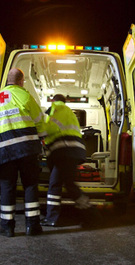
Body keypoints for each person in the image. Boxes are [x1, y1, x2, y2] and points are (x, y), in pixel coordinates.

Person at [0, 68, 46, 237]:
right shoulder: (24, 96)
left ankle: (7, 227)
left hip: (1, 152)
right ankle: (33, 226)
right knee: (30, 184)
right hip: (25, 149)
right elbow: (40, 122)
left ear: (6, 81)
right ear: (21, 81)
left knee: (7, 186)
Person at [40, 94, 92, 227]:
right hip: (74, 151)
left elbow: (50, 128)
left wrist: (40, 132)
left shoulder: (54, 109)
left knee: (55, 185)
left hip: (63, 151)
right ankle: (91, 215)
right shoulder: (70, 112)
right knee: (69, 184)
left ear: (53, 101)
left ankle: (52, 218)